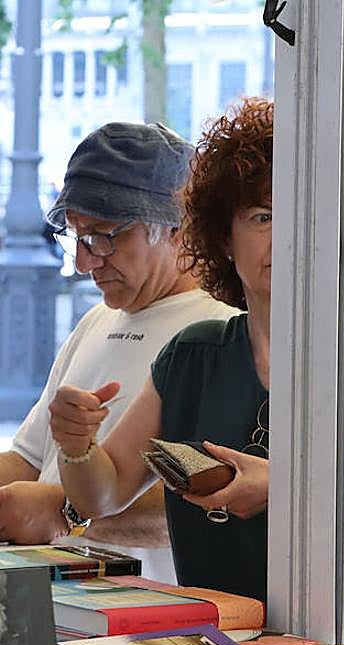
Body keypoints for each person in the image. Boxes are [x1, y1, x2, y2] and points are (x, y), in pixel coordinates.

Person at [47, 98, 344, 604]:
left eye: (307, 214)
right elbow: (105, 493)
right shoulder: (191, 356)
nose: (288, 235)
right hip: (216, 639)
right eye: (263, 216)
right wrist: (77, 445)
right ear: (224, 237)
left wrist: (286, 482)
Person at [0, 122, 235, 548]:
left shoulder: (223, 333)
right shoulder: (96, 321)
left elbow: (216, 500)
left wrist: (67, 514)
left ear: (178, 230)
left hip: (149, 591)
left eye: (101, 238)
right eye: (76, 237)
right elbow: (29, 459)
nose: (84, 263)